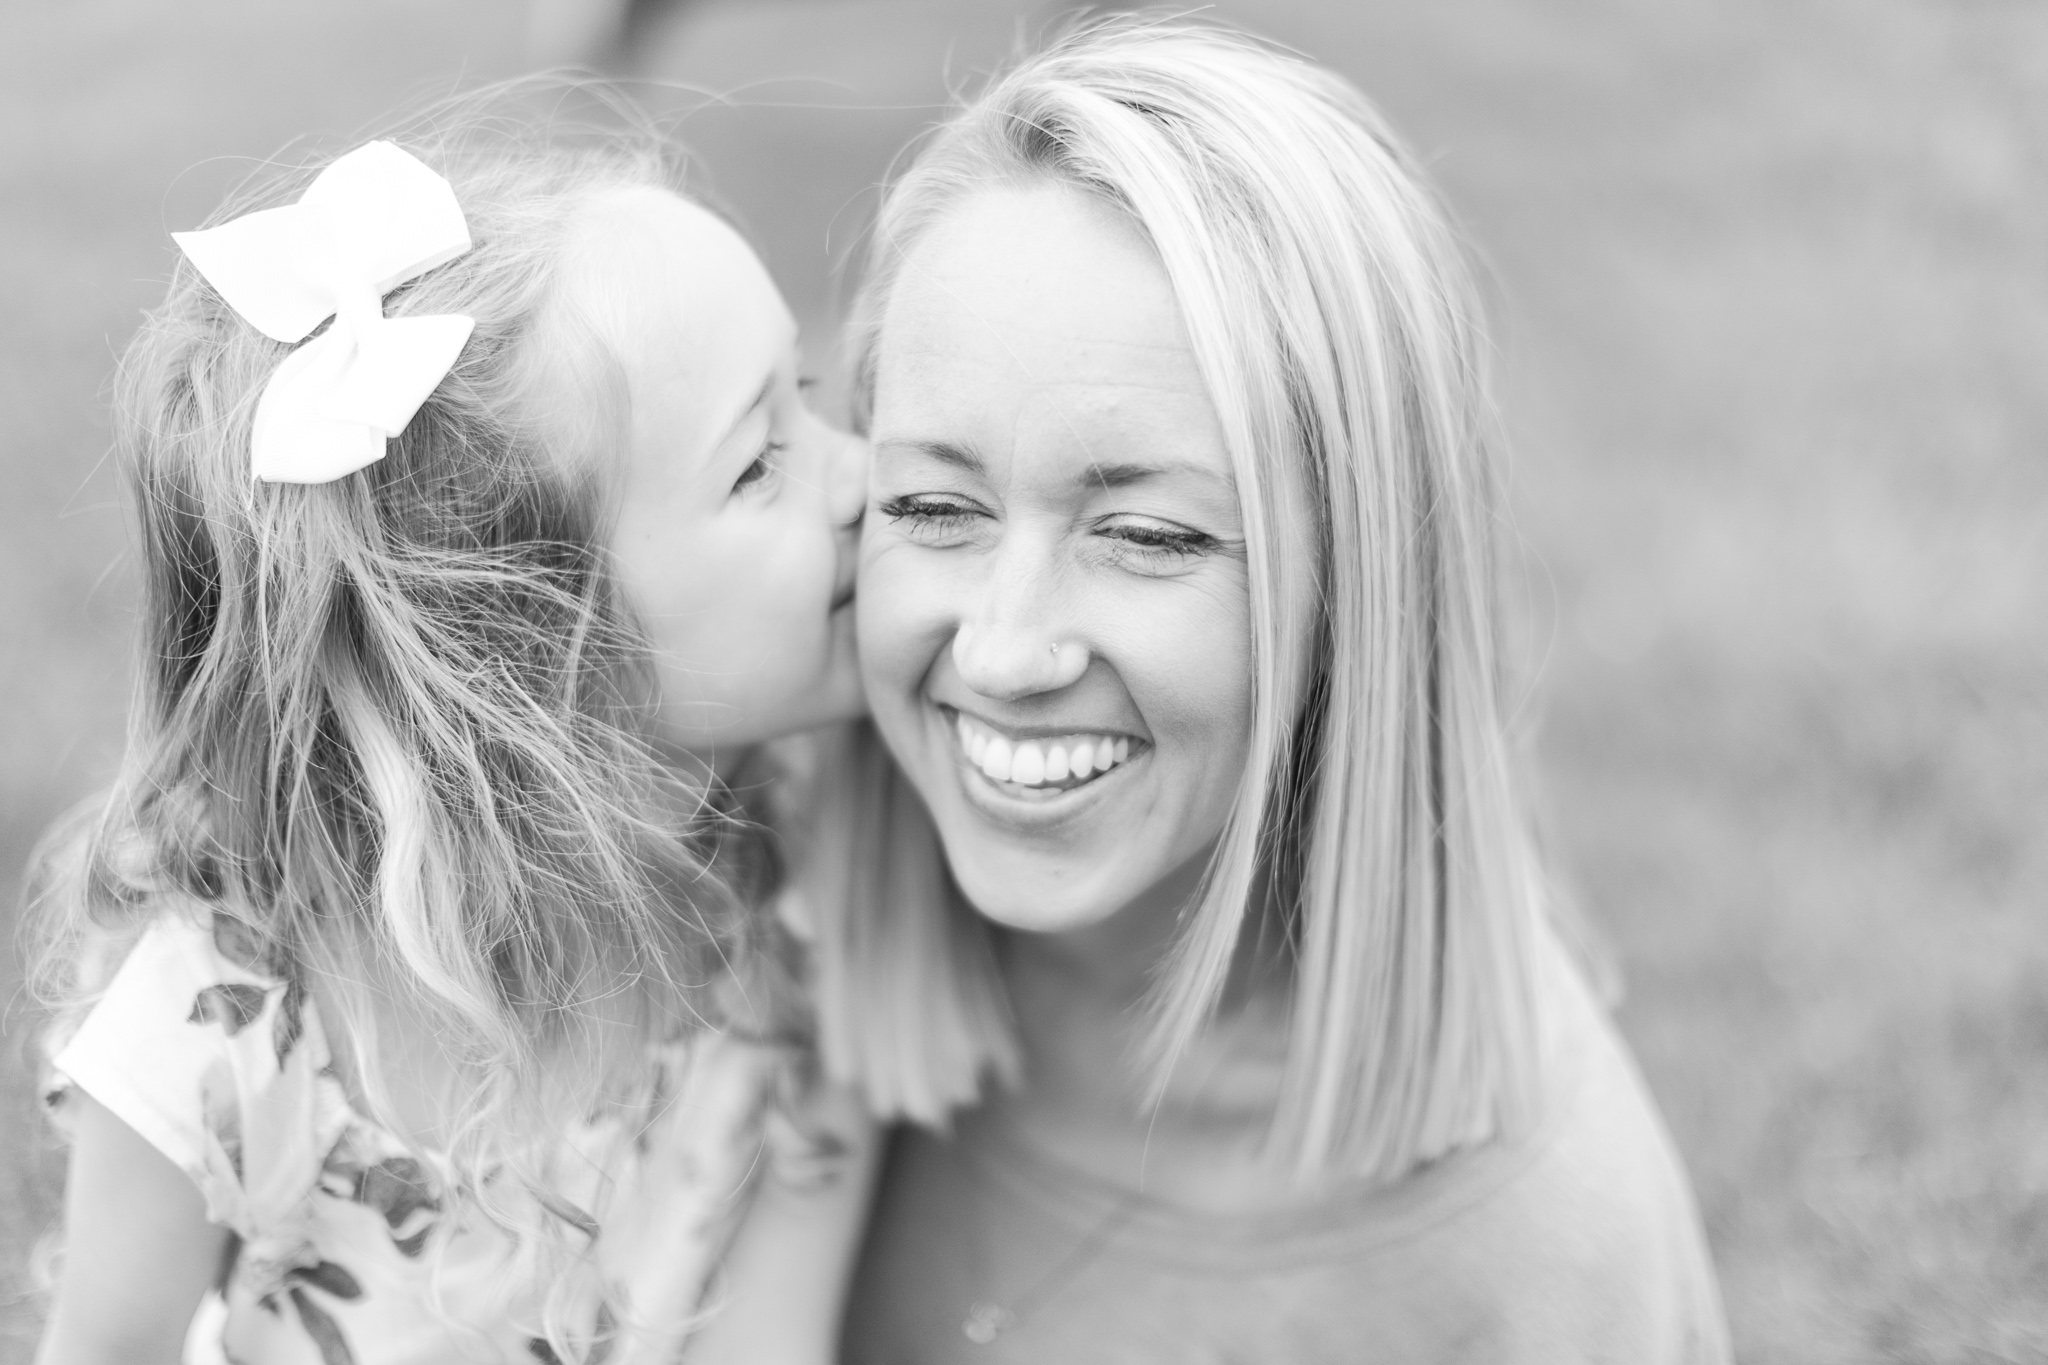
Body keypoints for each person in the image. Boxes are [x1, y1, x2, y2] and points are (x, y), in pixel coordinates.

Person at [832, 18, 1733, 1361]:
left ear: (1355, 594)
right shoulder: (759, 985)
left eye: (1146, 534)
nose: (1002, 650)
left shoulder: (1540, 1239)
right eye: (930, 504)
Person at [28, 94, 910, 1365]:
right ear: (540, 668)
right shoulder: (222, 1033)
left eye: (808, 398)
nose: (863, 476)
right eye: (759, 463)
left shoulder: (785, 916)